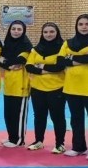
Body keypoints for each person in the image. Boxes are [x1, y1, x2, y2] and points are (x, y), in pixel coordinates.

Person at [59, 14, 88, 161]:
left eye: (87, 24)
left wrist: (70, 58)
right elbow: (60, 60)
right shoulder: (68, 43)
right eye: (81, 24)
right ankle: (78, 146)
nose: (84, 27)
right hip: (71, 86)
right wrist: (77, 59)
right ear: (76, 26)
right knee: (76, 118)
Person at [25, 22, 67, 154]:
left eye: (52, 32)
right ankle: (38, 141)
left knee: (57, 116)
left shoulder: (63, 48)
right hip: (37, 88)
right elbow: (29, 67)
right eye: (45, 32)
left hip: (57, 88)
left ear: (57, 33)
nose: (48, 34)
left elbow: (59, 67)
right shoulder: (35, 49)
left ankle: (60, 144)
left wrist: (40, 66)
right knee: (39, 116)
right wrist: (48, 70)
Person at [0, 21, 32, 148]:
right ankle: (11, 137)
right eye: (13, 29)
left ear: (23, 31)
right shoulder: (7, 45)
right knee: (9, 114)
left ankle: (19, 140)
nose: (16, 31)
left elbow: (19, 60)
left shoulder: (26, 46)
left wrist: (5, 61)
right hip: (8, 85)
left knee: (19, 114)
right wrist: (7, 62)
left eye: (19, 29)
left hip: (21, 86)